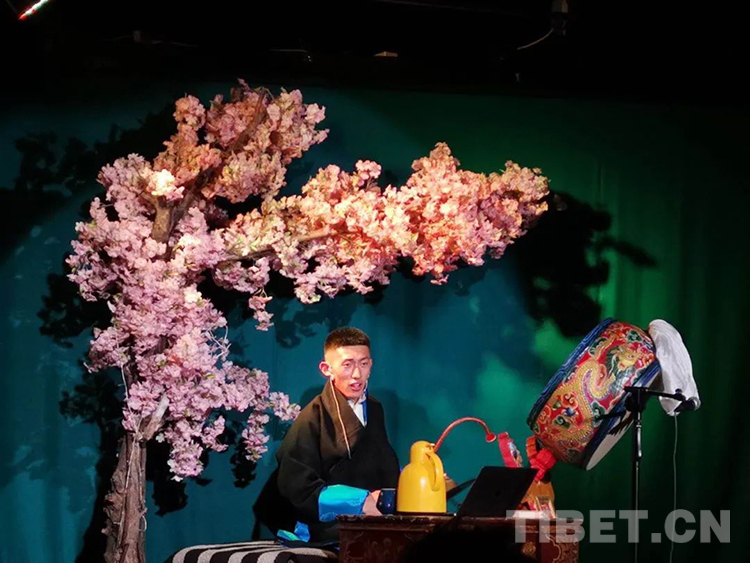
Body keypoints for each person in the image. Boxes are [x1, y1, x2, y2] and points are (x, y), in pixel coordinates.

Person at [254, 327, 400, 543]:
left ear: (371, 365)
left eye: (363, 363)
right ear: (326, 369)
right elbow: (297, 485)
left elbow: (382, 463)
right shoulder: (312, 417)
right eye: (347, 365)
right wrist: (360, 502)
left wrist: (412, 481)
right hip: (326, 524)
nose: (357, 374)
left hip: (374, 516)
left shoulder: (374, 408)